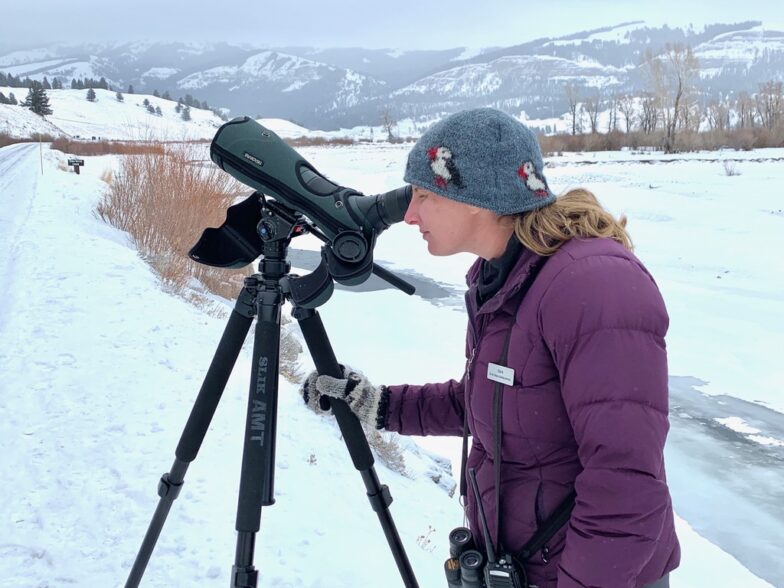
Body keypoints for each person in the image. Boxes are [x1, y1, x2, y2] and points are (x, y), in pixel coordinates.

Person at [300, 108, 680, 588]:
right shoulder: (505, 278)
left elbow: (625, 483)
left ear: (476, 197)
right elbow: (492, 406)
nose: (410, 214)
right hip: (523, 564)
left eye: (424, 195)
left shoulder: (594, 286)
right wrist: (378, 404)